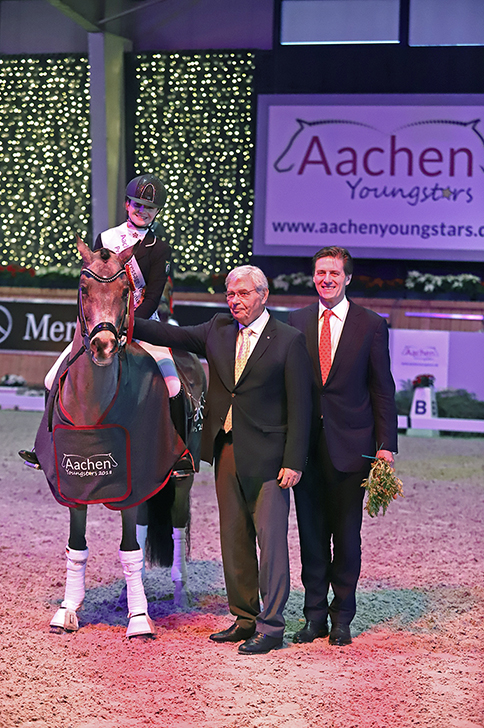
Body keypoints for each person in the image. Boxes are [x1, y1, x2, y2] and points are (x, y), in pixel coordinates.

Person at [132, 265, 313, 654]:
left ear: (263, 296)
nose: (235, 301)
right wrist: (124, 320)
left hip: (270, 459)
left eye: (243, 294)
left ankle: (272, 625)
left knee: (271, 543)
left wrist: (294, 461)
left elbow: (301, 406)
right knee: (233, 540)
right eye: (231, 294)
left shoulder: (288, 340)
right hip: (226, 450)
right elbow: (170, 334)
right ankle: (244, 617)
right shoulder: (217, 329)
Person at [287, 246, 398, 647]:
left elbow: (382, 389)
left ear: (348, 278)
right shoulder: (295, 322)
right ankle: (314, 615)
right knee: (311, 536)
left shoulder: (371, 324)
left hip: (353, 449)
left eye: (334, 272)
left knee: (347, 538)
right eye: (320, 272)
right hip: (305, 451)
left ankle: (342, 618)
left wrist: (385, 446)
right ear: (313, 276)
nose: (327, 279)